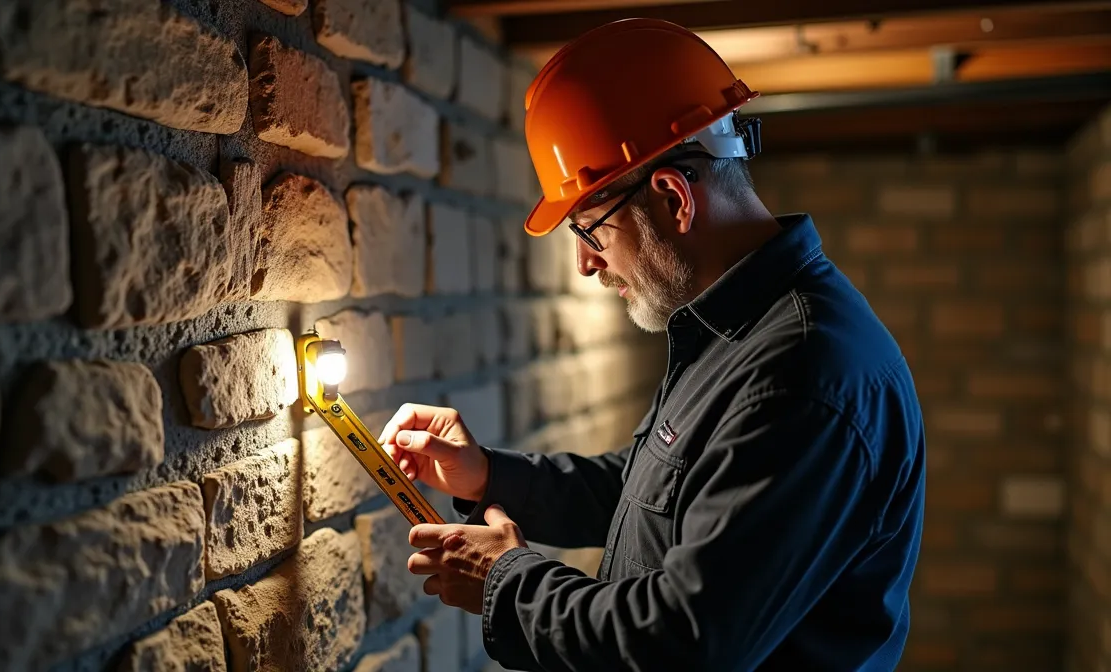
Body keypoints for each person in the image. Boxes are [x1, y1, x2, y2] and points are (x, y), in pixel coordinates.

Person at [378, 17, 926, 672]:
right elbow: (653, 493)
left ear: (673, 198)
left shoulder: (803, 377)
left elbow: (684, 643)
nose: (586, 264)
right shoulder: (733, 333)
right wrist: (488, 475)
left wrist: (507, 581)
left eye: (590, 229)